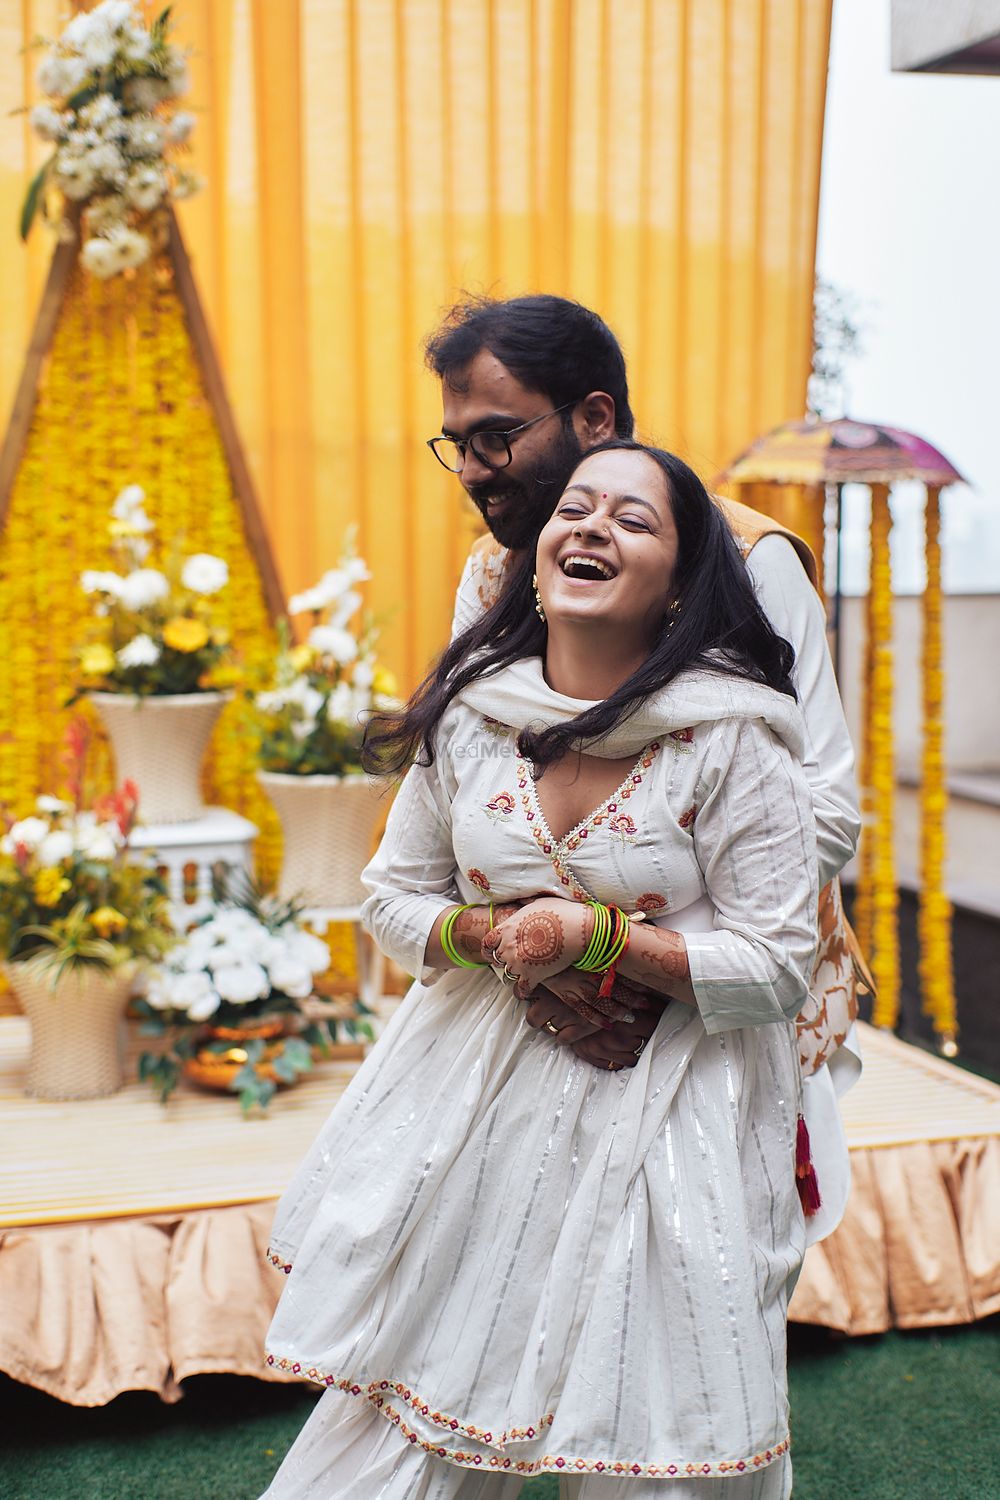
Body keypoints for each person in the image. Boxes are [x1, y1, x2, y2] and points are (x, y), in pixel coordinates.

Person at [263, 441, 819, 1497]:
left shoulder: (730, 740)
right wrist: (496, 939)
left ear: (677, 586)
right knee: (417, 1387)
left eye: (633, 519)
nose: (592, 526)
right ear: (535, 554)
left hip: (667, 1110)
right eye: (575, 507)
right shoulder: (474, 715)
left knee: (649, 1414)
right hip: (474, 1098)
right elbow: (390, 895)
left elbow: (779, 961)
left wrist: (596, 938)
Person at [426, 295, 865, 1215]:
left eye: (497, 436)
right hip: (537, 1016)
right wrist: (542, 959)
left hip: (708, 1018)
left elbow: (823, 811)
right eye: (456, 443)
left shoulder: (747, 557)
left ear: (593, 416)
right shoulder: (488, 572)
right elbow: (471, 778)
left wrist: (635, 954)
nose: (472, 470)